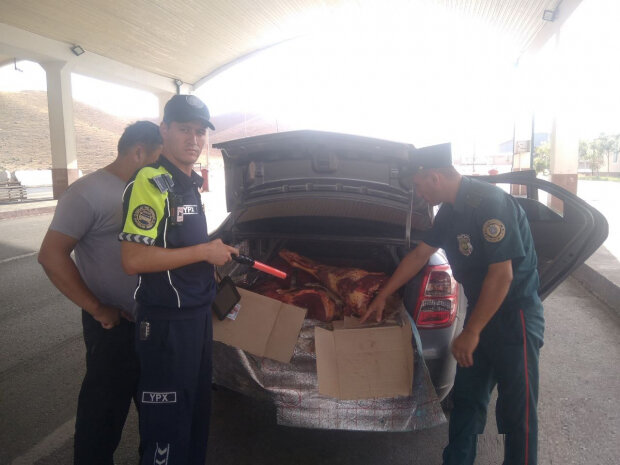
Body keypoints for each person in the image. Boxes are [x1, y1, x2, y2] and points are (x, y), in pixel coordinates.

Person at [362, 143, 544, 465]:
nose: (419, 195)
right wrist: (382, 295)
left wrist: (471, 332)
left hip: (515, 317)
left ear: (434, 177)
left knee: (517, 409)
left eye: (418, 186)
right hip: (481, 313)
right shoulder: (448, 212)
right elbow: (419, 255)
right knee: (467, 400)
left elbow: (501, 276)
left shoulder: (490, 204)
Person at [119, 94, 238, 465]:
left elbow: (182, 249)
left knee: (197, 417)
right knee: (167, 429)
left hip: (197, 318)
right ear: (164, 130)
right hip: (167, 324)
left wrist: (212, 270)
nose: (194, 139)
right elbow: (133, 259)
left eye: (200, 132)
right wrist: (204, 252)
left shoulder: (188, 184)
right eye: (185, 129)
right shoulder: (151, 182)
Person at [38, 121, 164, 464]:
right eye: (157, 160)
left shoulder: (147, 189)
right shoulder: (86, 193)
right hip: (113, 326)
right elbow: (51, 256)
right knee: (102, 418)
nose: (161, 169)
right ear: (138, 152)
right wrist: (96, 308)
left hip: (153, 323)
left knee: (157, 414)